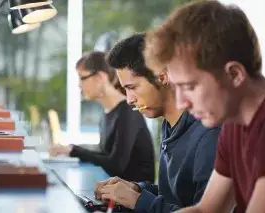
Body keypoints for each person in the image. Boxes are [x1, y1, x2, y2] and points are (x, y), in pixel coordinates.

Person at [143, 1, 265, 213]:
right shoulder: (233, 126)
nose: (181, 102)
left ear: (234, 74)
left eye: (189, 86)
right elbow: (206, 210)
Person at [94, 33, 221, 213]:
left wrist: (138, 201)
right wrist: (137, 189)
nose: (129, 99)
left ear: (162, 77)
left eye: (132, 87)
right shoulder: (169, 125)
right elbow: (174, 197)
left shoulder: (209, 134)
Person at [49, 51, 155, 182]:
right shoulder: (108, 112)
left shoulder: (128, 112)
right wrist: (70, 148)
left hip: (134, 198)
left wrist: (73, 151)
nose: (79, 85)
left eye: (82, 78)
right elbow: (103, 152)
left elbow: (116, 166)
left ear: (100, 77)